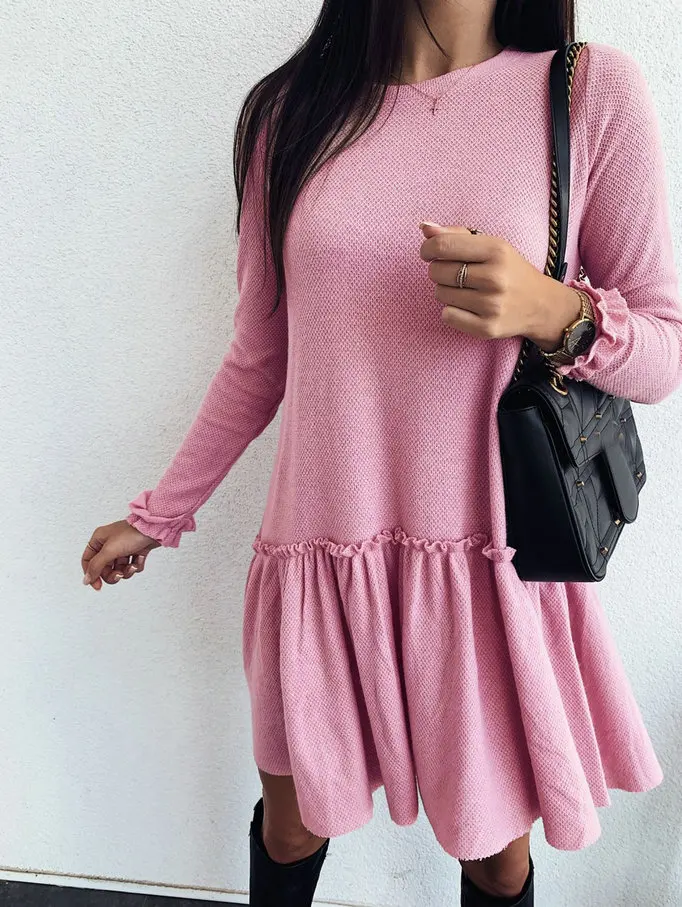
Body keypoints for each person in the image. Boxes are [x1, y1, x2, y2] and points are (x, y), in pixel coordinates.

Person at [81, 0, 682, 904]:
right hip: (320, 550)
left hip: (489, 564)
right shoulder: (291, 111)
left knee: (494, 854)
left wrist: (555, 310)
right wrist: (158, 513)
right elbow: (261, 355)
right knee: (292, 825)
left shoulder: (587, 92)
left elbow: (664, 347)